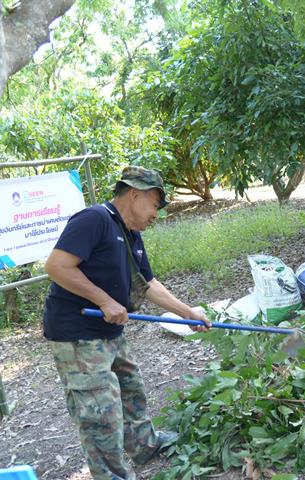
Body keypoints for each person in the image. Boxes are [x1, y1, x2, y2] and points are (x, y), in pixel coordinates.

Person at [43, 166, 211, 480]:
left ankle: (144, 446)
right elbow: (57, 267)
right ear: (135, 195)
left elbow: (147, 284)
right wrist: (103, 299)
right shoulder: (94, 220)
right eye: (156, 204)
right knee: (99, 412)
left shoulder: (130, 233)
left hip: (108, 330)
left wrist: (187, 312)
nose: (157, 214)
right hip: (78, 332)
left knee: (131, 386)